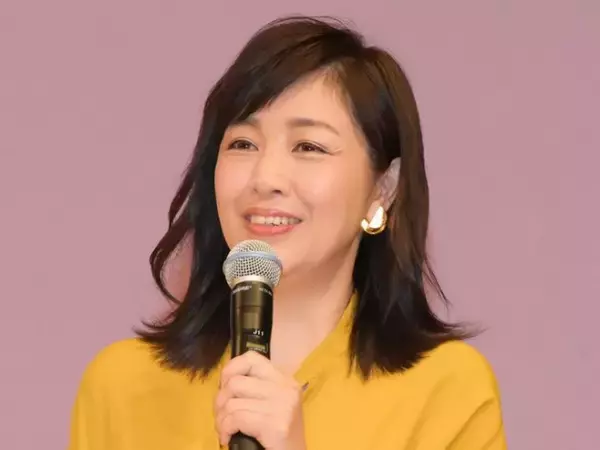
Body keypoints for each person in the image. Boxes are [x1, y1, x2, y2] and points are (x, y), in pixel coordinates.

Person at [69, 15, 507, 450]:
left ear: (383, 189)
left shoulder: (448, 394)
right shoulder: (122, 388)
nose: (266, 178)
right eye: (243, 144)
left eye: (308, 147)